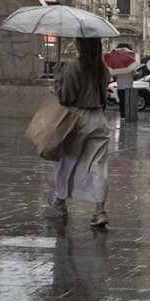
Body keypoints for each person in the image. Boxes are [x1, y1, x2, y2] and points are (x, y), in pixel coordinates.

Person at [46, 37, 113, 228]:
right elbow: (104, 98)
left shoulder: (73, 67)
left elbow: (66, 97)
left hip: (77, 119)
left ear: (80, 45)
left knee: (65, 161)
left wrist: (58, 77)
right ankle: (99, 210)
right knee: (98, 165)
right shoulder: (103, 69)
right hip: (98, 118)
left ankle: (60, 202)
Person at [110, 44, 136, 119]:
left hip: (120, 87)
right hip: (129, 86)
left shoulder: (117, 66)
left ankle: (122, 115)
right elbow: (135, 76)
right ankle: (128, 114)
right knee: (128, 102)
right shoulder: (131, 67)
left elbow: (114, 76)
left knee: (122, 101)